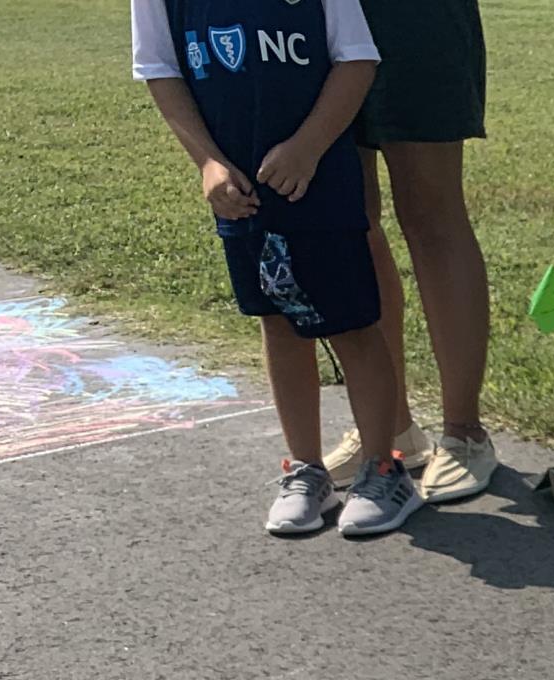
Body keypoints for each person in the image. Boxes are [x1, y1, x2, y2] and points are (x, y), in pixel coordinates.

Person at [133, 0, 422, 538]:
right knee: (278, 321)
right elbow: (161, 70)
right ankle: (305, 469)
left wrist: (308, 148)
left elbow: (357, 59)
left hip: (317, 178)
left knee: (353, 324)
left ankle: (384, 469)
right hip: (239, 189)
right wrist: (208, 163)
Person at [317, 0, 498, 504]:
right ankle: (391, 429)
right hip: (317, 19)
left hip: (417, 18)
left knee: (431, 215)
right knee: (353, 220)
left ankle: (464, 432)